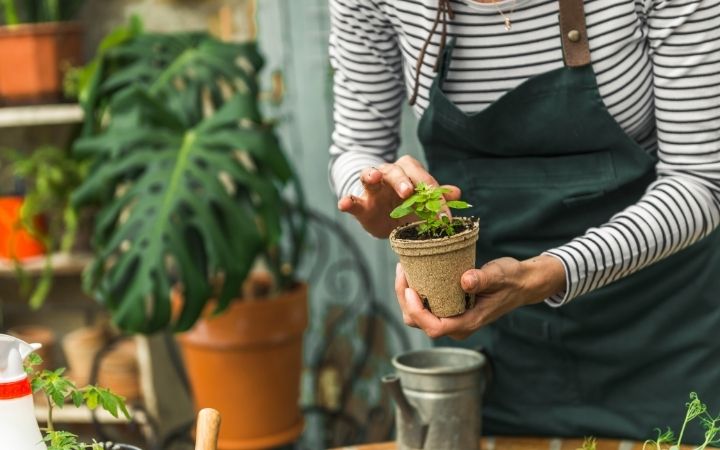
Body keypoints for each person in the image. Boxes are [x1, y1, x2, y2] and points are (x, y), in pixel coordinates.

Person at [329, 0, 720, 444]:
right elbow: (356, 145)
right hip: (493, 343)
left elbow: (699, 181)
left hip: (660, 330)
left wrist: (550, 273)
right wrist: (373, 191)